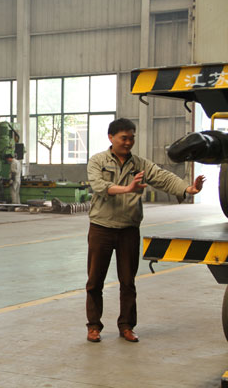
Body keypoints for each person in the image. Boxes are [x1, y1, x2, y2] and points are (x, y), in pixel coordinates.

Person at [86, 118, 205, 343]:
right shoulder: (98, 161)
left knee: (128, 281)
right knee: (94, 281)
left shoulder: (140, 164)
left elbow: (162, 177)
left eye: (132, 138)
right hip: (101, 228)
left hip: (128, 230)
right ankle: (93, 326)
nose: (128, 142)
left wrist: (187, 188)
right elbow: (99, 186)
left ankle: (126, 326)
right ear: (111, 137)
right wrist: (128, 188)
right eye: (124, 138)